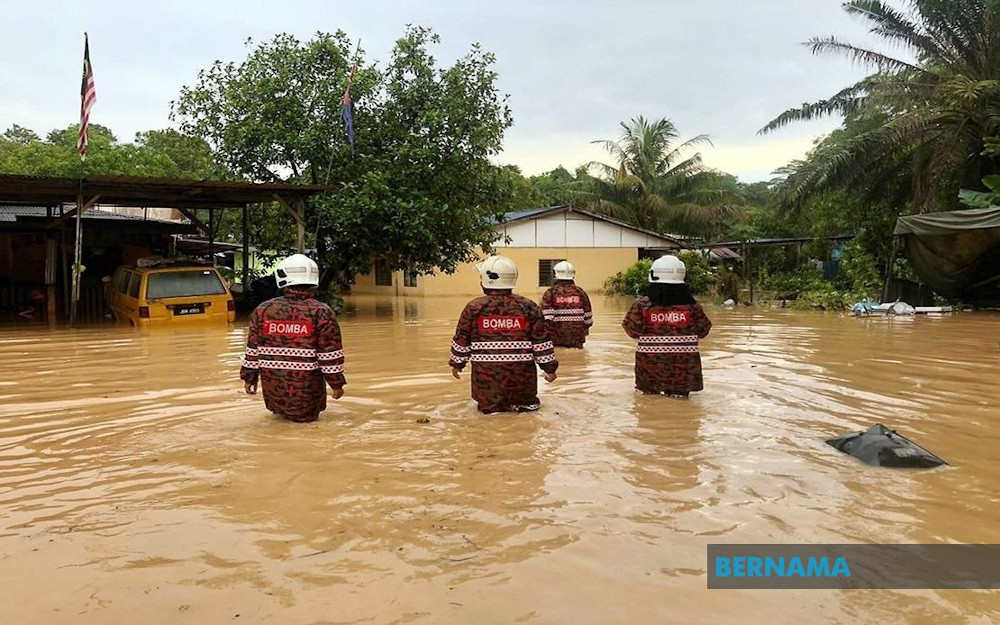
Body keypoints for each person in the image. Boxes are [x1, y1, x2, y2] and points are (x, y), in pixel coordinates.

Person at [240, 254, 345, 422]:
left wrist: (249, 377)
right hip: (307, 393)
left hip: (272, 389)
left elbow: (252, 349)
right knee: (306, 431)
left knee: (278, 423)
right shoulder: (321, 311)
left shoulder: (263, 310)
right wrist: (336, 384)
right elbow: (330, 354)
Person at [449, 255, 558, 413]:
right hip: (523, 388)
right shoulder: (529, 307)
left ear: (486, 279)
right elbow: (542, 343)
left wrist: (457, 365)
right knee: (527, 417)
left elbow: (461, 341)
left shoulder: (474, 308)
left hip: (487, 391)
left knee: (490, 419)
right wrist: (550, 369)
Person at [622, 255, 712, 398]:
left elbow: (631, 330)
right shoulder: (692, 307)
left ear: (653, 276)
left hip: (649, 371)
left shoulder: (643, 305)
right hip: (684, 373)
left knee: (649, 409)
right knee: (682, 411)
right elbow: (703, 330)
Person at [540, 260, 593, 348]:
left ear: (555, 274)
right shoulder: (580, 292)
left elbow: (546, 319)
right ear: (573, 274)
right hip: (577, 340)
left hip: (557, 340)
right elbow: (588, 320)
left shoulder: (551, 292)